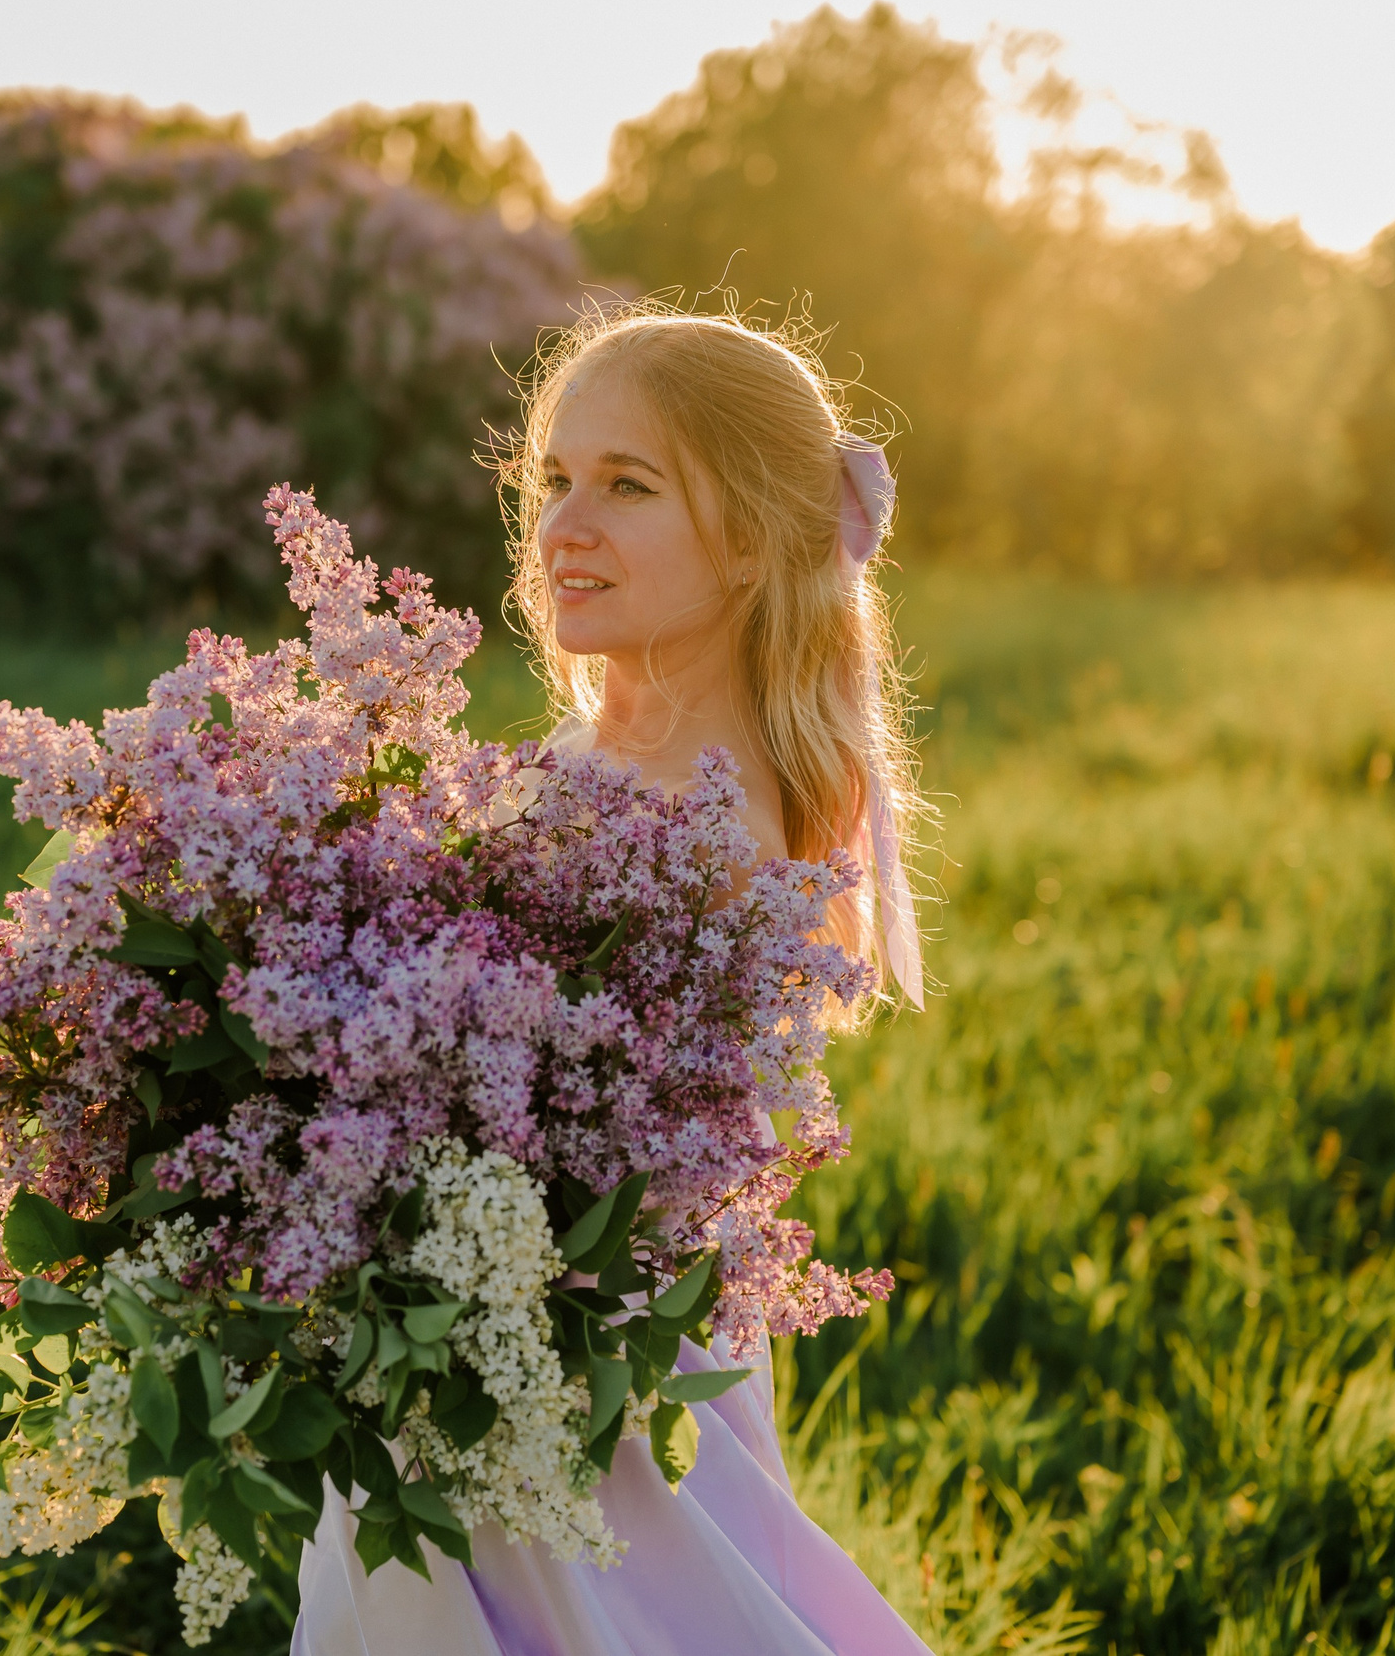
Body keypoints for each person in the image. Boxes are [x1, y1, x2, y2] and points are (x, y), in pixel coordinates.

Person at [290, 306, 933, 1656]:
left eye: (627, 487)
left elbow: (564, 1135)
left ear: (752, 539)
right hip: (474, 1338)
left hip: (581, 1384)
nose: (564, 524)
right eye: (554, 479)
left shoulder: (701, 823)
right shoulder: (605, 762)